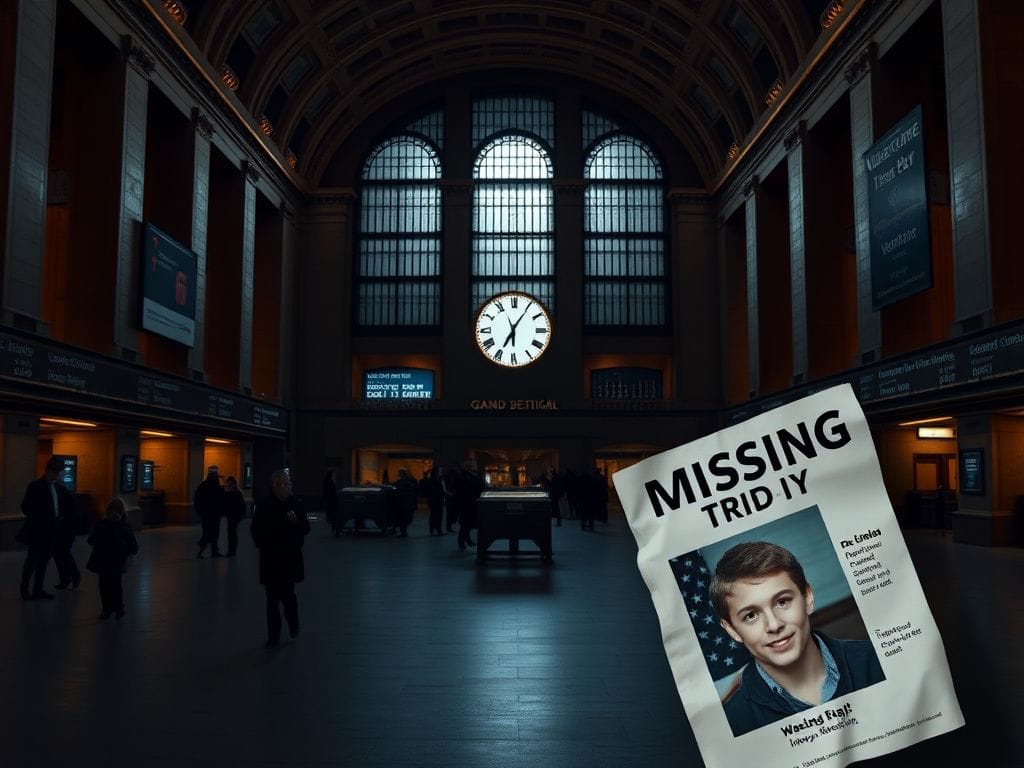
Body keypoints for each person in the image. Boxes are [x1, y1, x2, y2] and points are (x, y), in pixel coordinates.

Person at [709, 541, 885, 736]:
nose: (774, 625)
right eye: (750, 615)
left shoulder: (879, 660)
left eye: (782, 602)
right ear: (732, 630)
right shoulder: (732, 724)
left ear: (807, 598)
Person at [251, 468, 310, 647]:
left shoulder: (296, 504)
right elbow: (256, 530)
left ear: (290, 485)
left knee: (289, 596)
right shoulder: (264, 505)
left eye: (285, 484)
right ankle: (273, 636)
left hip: (289, 558)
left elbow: (305, 528)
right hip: (270, 559)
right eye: (278, 484)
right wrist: (263, 544)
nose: (282, 487)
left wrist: (296, 525)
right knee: (272, 599)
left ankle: (293, 621)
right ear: (272, 486)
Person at [19, 456, 74, 600]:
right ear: (49, 470)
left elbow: (66, 505)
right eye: (56, 472)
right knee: (31, 559)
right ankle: (25, 588)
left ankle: (38, 589)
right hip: (37, 529)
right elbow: (25, 506)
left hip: (52, 531)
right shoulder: (36, 486)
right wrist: (39, 517)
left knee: (43, 561)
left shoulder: (59, 488)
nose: (58, 475)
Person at [85, 497, 139, 620]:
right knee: (115, 585)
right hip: (117, 561)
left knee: (105, 585)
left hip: (104, 560)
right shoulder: (125, 527)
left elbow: (91, 540)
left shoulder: (102, 525)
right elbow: (133, 545)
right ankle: (117, 607)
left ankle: (108, 609)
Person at [194, 465, 225, 558]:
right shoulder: (217, 486)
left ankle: (202, 551)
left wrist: (199, 511)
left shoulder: (203, 485)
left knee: (207, 532)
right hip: (215, 514)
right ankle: (212, 551)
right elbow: (222, 499)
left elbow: (197, 499)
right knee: (214, 533)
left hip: (206, 514)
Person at [223, 475, 247, 556]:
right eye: (227, 483)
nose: (227, 485)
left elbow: (240, 505)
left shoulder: (234, 493)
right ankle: (232, 551)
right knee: (232, 533)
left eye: (229, 483)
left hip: (234, 516)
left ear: (233, 484)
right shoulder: (235, 493)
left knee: (231, 533)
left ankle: (231, 551)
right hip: (233, 516)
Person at [393, 467, 418, 537]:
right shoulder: (400, 482)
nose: (399, 474)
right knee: (404, 518)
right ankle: (403, 531)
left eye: (400, 473)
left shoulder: (409, 481)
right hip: (403, 503)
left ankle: (403, 531)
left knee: (407, 518)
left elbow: (414, 492)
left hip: (407, 503)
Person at [321, 469, 341, 536]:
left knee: (333, 516)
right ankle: (336, 530)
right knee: (335, 516)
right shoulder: (329, 482)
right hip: (332, 501)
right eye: (334, 474)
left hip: (331, 501)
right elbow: (328, 492)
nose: (335, 476)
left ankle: (335, 529)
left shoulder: (328, 481)